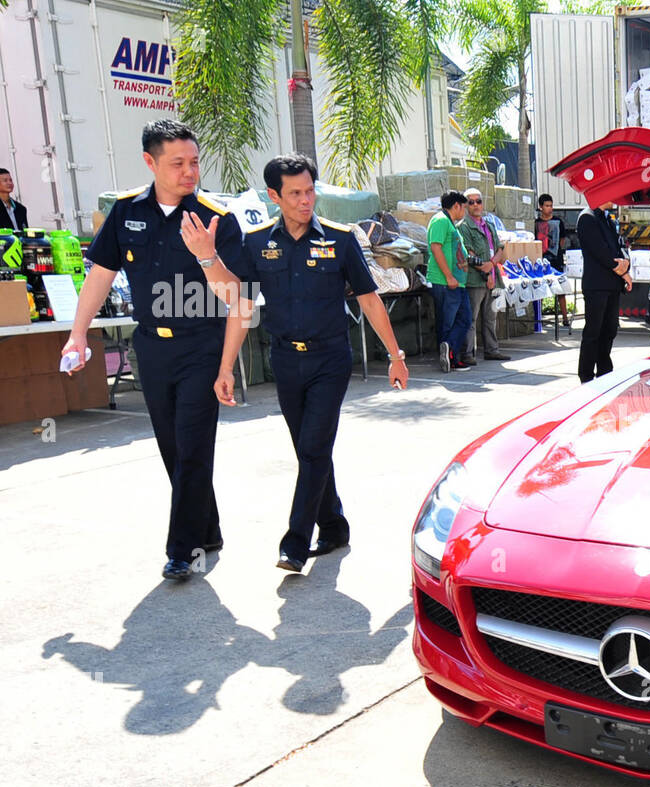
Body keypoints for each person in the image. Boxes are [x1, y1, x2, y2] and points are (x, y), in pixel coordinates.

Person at [182, 153, 409, 572]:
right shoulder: (257, 243)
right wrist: (225, 366)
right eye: (295, 194)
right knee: (310, 450)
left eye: (310, 191)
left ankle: (295, 542)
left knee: (312, 447)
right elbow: (238, 300)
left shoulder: (340, 239)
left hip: (330, 360)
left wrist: (395, 356)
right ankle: (335, 525)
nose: (307, 201)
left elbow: (370, 299)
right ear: (274, 196)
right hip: (285, 360)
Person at [59, 120, 245, 581]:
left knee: (194, 446)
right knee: (173, 448)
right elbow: (100, 276)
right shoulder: (125, 213)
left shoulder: (216, 217)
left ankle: (181, 550)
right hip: (152, 348)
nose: (190, 172)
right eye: (177, 163)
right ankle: (208, 528)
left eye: (195, 161)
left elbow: (238, 297)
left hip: (202, 345)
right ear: (150, 162)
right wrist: (77, 334)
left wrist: (206, 255)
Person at [576, 199, 630, 382]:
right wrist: (619, 268)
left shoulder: (608, 219)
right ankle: (586, 375)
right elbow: (600, 251)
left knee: (609, 330)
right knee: (593, 332)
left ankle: (605, 372)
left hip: (612, 284)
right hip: (596, 285)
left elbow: (616, 246)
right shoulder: (587, 218)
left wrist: (625, 270)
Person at [457, 187, 511, 361]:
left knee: (490, 317)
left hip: (493, 277)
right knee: (471, 318)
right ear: (466, 205)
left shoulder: (489, 225)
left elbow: (499, 249)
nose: (475, 205)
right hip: (475, 279)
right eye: (471, 202)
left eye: (478, 201)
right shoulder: (464, 226)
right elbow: (469, 253)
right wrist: (486, 272)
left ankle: (492, 350)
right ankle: (467, 353)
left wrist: (492, 265)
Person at [426, 190, 473, 371]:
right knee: (448, 321)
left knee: (464, 319)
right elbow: (435, 248)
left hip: (456, 282)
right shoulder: (441, 220)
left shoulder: (451, 224)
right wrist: (448, 276)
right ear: (456, 206)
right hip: (446, 282)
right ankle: (450, 357)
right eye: (464, 207)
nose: (465, 211)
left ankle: (450, 350)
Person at [535, 193, 571, 325]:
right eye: (547, 205)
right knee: (540, 289)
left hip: (556, 260)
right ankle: (539, 318)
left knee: (560, 290)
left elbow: (562, 239)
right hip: (541, 261)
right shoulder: (536, 223)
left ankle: (565, 317)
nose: (549, 208)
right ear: (540, 207)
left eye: (551, 205)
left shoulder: (558, 221)